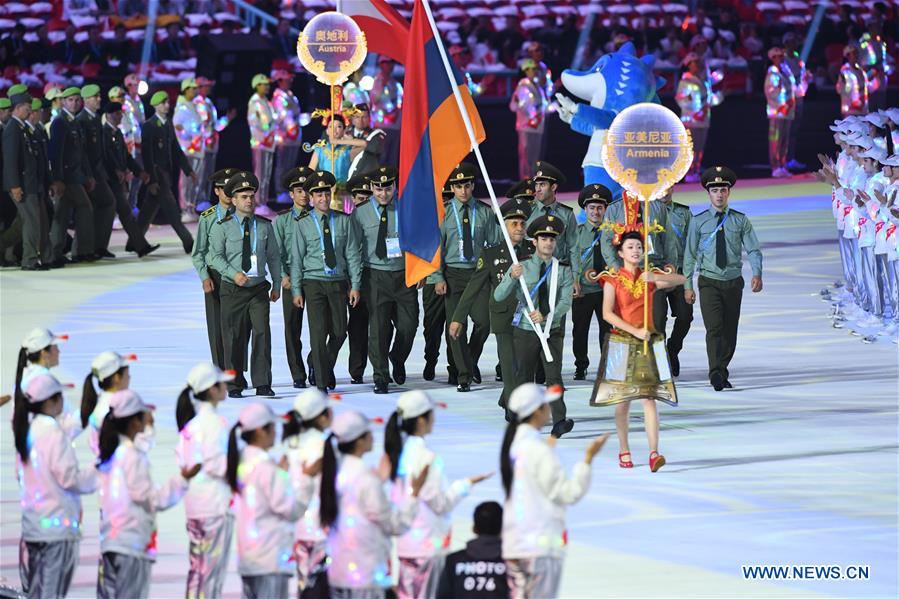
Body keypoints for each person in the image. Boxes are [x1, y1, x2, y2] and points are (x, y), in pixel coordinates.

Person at [500, 384, 608, 598]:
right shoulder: (537, 449)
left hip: (516, 540)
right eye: (546, 405)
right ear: (536, 411)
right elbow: (568, 493)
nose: (550, 409)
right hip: (539, 543)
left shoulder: (514, 444)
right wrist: (587, 460)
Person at [591, 229, 686, 470]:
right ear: (620, 252)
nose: (635, 251)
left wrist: (654, 280)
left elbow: (681, 280)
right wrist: (634, 331)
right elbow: (607, 313)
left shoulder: (648, 276)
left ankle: (654, 452)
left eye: (639, 247)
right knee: (623, 401)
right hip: (623, 341)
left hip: (648, 342)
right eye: (630, 247)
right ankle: (624, 449)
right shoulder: (612, 279)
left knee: (649, 399)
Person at [385, 391, 492, 598]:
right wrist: (465, 485)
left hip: (406, 543)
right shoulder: (426, 458)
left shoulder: (396, 452)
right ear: (422, 419)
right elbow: (440, 504)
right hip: (427, 545)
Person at [96, 390, 201, 599]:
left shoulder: (113, 454)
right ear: (134, 422)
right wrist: (183, 479)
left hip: (113, 541)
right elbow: (153, 499)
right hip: (131, 546)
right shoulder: (132, 457)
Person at [319, 410, 428, 597]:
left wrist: (379, 480)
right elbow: (393, 524)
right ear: (359, 441)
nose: (372, 437)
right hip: (365, 573)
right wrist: (413, 495)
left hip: (339, 570)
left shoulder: (336, 471)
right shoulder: (365, 478)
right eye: (369, 433)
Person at [14, 374, 97, 598]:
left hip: (34, 527)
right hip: (56, 530)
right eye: (60, 396)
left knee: (38, 590)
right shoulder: (53, 433)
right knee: (51, 593)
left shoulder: (27, 431)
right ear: (51, 401)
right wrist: (100, 469)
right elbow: (71, 479)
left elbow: (20, 475)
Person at [451, 192, 532, 416]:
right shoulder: (490, 254)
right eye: (514, 223)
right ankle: (514, 407)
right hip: (503, 315)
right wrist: (458, 317)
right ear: (504, 226)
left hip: (528, 318)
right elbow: (473, 287)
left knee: (524, 363)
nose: (519, 227)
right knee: (508, 362)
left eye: (522, 223)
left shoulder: (533, 251)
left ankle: (507, 397)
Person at [683, 166, 764, 391]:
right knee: (714, 328)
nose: (719, 194)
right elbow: (689, 255)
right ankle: (716, 372)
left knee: (730, 330)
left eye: (723, 190)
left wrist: (757, 273)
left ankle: (722, 367)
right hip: (708, 281)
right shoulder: (698, 222)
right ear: (708, 194)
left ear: (729, 193)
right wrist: (687, 285)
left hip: (733, 281)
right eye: (715, 190)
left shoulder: (739, 220)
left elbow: (754, 249)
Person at [227, 403, 318, 599]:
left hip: (249, 556)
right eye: (272, 427)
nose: (276, 432)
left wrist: (280, 475)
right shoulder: (266, 468)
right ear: (260, 431)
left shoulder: (242, 461)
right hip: (269, 557)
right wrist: (307, 479)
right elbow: (290, 510)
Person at [495, 215, 575, 438]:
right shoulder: (522, 266)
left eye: (552, 239)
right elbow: (499, 295)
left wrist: (547, 315)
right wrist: (511, 276)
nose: (548, 243)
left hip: (552, 330)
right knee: (524, 377)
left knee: (554, 377)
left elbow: (565, 301)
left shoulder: (564, 270)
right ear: (535, 242)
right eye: (543, 238)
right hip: (525, 330)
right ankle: (522, 417)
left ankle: (559, 421)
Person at [208, 171, 281, 398]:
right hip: (233, 288)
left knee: (262, 334)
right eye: (243, 196)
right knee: (234, 336)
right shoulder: (223, 226)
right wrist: (232, 273)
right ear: (234, 199)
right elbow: (213, 256)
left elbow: (274, 257)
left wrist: (277, 283)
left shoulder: (265, 226)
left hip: (258, 289)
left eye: (251, 195)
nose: (249, 200)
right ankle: (234, 383)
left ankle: (262, 383)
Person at [289, 170, 363, 392]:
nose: (322, 198)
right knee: (318, 334)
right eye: (317, 195)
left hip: (338, 282)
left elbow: (352, 254)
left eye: (325, 193)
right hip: (313, 282)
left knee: (340, 332)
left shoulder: (343, 220)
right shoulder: (302, 224)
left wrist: (356, 285)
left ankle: (318, 363)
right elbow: (296, 259)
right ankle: (321, 382)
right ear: (311, 198)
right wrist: (296, 290)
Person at [432, 163, 501, 392]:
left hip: (478, 274)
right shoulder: (443, 213)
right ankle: (464, 375)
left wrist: (494, 275)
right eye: (459, 186)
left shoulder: (484, 211)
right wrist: (438, 276)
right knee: (455, 326)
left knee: (484, 322)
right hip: (453, 275)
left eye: (467, 185)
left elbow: (494, 245)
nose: (463, 190)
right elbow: (437, 249)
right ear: (452, 187)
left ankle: (469, 361)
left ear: (473, 185)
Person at [354, 166, 419, 394]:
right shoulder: (360, 212)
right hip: (375, 275)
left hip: (403, 276)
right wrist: (355, 282)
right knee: (378, 329)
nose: (383, 194)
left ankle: (397, 357)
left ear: (395, 187)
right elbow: (353, 249)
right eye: (379, 189)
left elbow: (419, 242)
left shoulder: (407, 209)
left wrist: (420, 271)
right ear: (371, 188)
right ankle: (380, 375)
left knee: (409, 326)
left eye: (388, 189)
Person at [173, 363, 234, 599]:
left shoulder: (191, 425)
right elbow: (220, 466)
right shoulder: (216, 425)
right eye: (221, 383)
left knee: (198, 570)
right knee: (211, 573)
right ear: (211, 390)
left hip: (196, 506)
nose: (225, 386)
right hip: (215, 508)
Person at [283, 390, 333, 598]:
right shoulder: (324, 446)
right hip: (322, 527)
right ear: (321, 416)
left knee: (305, 583)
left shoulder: (291, 443)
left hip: (299, 526)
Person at [137, 91, 197, 254]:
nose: (166, 105)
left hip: (166, 174)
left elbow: (176, 149)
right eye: (163, 103)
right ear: (156, 106)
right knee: (172, 211)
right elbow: (147, 155)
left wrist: (188, 170)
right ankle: (188, 242)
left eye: (167, 102)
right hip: (157, 175)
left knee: (148, 210)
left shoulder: (168, 124)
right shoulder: (149, 126)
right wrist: (152, 180)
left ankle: (135, 241)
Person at [101, 102, 159, 258]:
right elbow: (104, 157)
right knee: (110, 214)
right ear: (108, 115)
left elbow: (126, 157)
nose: (120, 116)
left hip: (118, 182)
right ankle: (100, 247)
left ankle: (140, 246)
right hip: (108, 180)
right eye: (116, 113)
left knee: (125, 213)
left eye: (121, 113)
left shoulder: (117, 133)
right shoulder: (104, 133)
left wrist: (139, 172)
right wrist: (115, 170)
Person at [3, 88, 51, 270]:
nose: (30, 111)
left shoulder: (22, 128)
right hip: (22, 184)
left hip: (31, 183)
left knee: (28, 223)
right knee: (32, 223)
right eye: (27, 107)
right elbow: (10, 160)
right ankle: (29, 260)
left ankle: (43, 257)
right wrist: (14, 185)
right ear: (17, 107)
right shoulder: (12, 129)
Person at [274, 166, 313, 389]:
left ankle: (316, 361)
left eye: (307, 189)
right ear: (291, 194)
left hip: (316, 277)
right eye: (299, 190)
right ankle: (297, 373)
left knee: (326, 327)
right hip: (292, 279)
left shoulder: (320, 217)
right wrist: (282, 277)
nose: (304, 194)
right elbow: (276, 253)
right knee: (292, 328)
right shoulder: (282, 221)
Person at [48, 86, 95, 266]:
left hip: (76, 176)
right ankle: (79, 251)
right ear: (63, 102)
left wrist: (88, 175)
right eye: (70, 100)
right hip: (67, 177)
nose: (74, 103)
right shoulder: (60, 122)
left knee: (62, 215)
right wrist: (57, 179)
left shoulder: (74, 122)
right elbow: (55, 153)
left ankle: (57, 253)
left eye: (77, 100)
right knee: (83, 208)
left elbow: (82, 153)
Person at [571, 185, 612, 380]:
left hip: (607, 290)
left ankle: (606, 365)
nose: (596, 212)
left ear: (605, 209)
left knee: (608, 331)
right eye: (591, 208)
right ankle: (581, 364)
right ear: (585, 210)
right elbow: (570, 259)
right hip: (584, 290)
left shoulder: (613, 232)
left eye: (599, 208)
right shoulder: (576, 233)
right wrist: (574, 281)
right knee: (580, 330)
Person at [435, 501, 508, 599]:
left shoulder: (454, 560)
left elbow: (443, 596)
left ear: (474, 528)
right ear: (502, 527)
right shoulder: (511, 563)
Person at [422, 183, 457, 382]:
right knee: (432, 326)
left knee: (455, 325)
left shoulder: (456, 216)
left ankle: (455, 368)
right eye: (440, 197)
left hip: (454, 277)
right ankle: (431, 360)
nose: (444, 201)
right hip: (430, 279)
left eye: (447, 197)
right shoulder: (427, 217)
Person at [657, 188, 694, 376]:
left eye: (668, 185)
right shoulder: (647, 211)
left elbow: (691, 245)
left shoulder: (684, 213)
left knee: (686, 315)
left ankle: (672, 349)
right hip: (656, 273)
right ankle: (660, 357)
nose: (664, 191)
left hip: (679, 272)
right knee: (658, 319)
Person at [77, 84, 117, 257]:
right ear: (86, 100)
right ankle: (84, 248)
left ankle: (98, 245)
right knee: (88, 210)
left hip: (98, 172)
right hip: (88, 173)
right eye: (95, 97)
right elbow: (83, 152)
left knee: (107, 203)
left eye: (99, 96)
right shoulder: (81, 120)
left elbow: (101, 150)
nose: (99, 99)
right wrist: (87, 175)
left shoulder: (95, 118)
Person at [526, 162, 579, 280]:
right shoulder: (527, 211)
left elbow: (574, 247)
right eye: (536, 185)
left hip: (558, 273)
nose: (537, 189)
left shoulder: (566, 214)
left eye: (542, 185)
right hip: (531, 274)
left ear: (553, 187)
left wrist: (575, 277)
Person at [675, 53, 721, 182]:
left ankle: (696, 169)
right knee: (691, 147)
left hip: (703, 119)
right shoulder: (685, 81)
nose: (697, 66)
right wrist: (691, 104)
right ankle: (689, 171)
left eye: (698, 63)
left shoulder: (704, 82)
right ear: (688, 65)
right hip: (691, 120)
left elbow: (709, 99)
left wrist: (719, 97)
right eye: (694, 63)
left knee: (700, 147)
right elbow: (680, 99)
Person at [195, 77, 235, 202]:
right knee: (200, 173)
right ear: (199, 88)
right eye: (206, 86)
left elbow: (215, 126)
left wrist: (227, 119)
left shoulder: (209, 103)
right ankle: (198, 199)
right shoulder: (196, 103)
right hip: (201, 145)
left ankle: (205, 199)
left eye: (209, 85)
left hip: (212, 144)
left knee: (208, 174)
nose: (209, 88)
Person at [173, 77, 206, 219]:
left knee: (195, 179)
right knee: (187, 179)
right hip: (188, 149)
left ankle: (191, 207)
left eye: (196, 88)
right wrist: (189, 138)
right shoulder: (182, 107)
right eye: (193, 88)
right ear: (185, 90)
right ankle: (185, 208)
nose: (195, 91)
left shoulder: (192, 105)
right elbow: (177, 126)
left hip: (197, 148)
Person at [510, 58, 548, 180]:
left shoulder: (538, 86)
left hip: (538, 127)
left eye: (536, 69)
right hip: (526, 127)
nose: (535, 72)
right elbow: (517, 106)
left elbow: (544, 106)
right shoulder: (523, 86)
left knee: (535, 157)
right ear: (525, 70)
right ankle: (526, 184)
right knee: (526, 157)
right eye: (533, 69)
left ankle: (534, 182)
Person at [271, 69, 304, 200]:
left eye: (291, 79)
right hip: (283, 137)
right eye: (287, 79)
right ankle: (280, 191)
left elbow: (296, 115)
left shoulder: (291, 96)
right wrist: (291, 125)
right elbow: (283, 116)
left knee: (291, 165)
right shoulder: (278, 97)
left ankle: (287, 190)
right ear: (280, 81)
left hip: (294, 137)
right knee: (282, 165)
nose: (290, 82)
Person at [764, 47, 796, 178]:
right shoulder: (772, 74)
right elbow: (770, 93)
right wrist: (782, 103)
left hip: (787, 111)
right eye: (778, 56)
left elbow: (793, 89)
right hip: (777, 112)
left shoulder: (787, 73)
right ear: (773, 59)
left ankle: (783, 165)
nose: (782, 59)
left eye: (782, 56)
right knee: (776, 140)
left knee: (784, 139)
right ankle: (775, 166)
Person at [308, 115, 365, 185]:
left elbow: (364, 144)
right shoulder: (320, 149)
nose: (334, 130)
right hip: (325, 189)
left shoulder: (347, 150)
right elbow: (310, 171)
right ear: (327, 131)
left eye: (339, 126)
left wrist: (337, 141)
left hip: (343, 192)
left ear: (344, 130)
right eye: (331, 126)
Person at [783, 33, 811, 171]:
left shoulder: (799, 60)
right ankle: (782, 160)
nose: (791, 45)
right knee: (785, 131)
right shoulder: (782, 61)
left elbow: (803, 77)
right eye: (789, 42)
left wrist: (807, 79)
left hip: (799, 98)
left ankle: (791, 158)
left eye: (793, 42)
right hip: (787, 101)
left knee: (794, 130)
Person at [247, 74, 277, 207]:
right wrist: (265, 135)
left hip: (269, 143)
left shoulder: (267, 101)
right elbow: (254, 123)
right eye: (264, 84)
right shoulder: (254, 102)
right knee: (260, 173)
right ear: (257, 86)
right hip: (260, 143)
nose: (267, 87)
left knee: (266, 173)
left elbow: (272, 121)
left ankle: (263, 201)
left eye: (268, 84)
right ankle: (258, 202)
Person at [370, 55, 403, 166]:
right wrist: (382, 85)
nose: (390, 65)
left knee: (393, 158)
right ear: (381, 64)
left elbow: (400, 103)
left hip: (395, 125)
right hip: (381, 125)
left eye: (391, 62)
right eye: (386, 62)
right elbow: (374, 100)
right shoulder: (376, 82)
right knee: (382, 157)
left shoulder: (396, 84)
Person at [346, 103, 386, 181]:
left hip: (366, 177)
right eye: (357, 117)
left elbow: (374, 148)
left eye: (364, 117)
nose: (360, 120)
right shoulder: (345, 133)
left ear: (369, 118)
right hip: (345, 177)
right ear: (352, 119)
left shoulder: (376, 134)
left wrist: (352, 141)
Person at [837, 45, 869, 118]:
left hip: (863, 109)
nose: (856, 55)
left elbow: (867, 86)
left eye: (857, 53)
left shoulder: (861, 71)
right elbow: (840, 89)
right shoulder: (844, 71)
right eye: (854, 53)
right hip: (851, 111)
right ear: (848, 56)